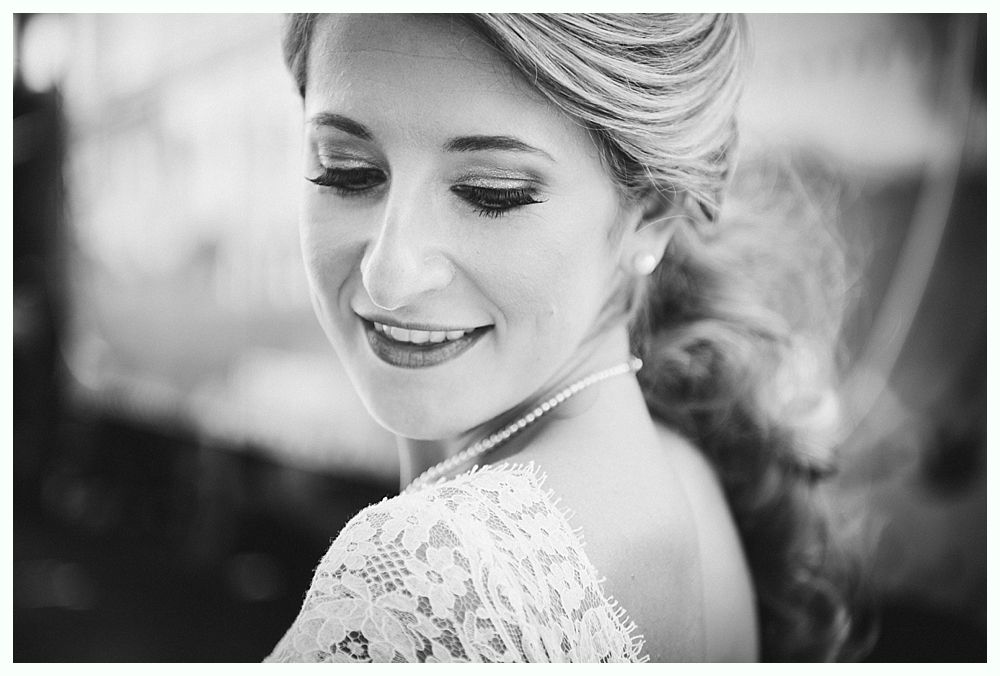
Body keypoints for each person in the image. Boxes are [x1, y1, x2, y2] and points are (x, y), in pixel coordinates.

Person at [266, 13, 865, 662]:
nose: (389, 275)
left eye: (489, 193)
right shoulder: (680, 472)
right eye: (345, 170)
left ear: (653, 212)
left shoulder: (440, 579)